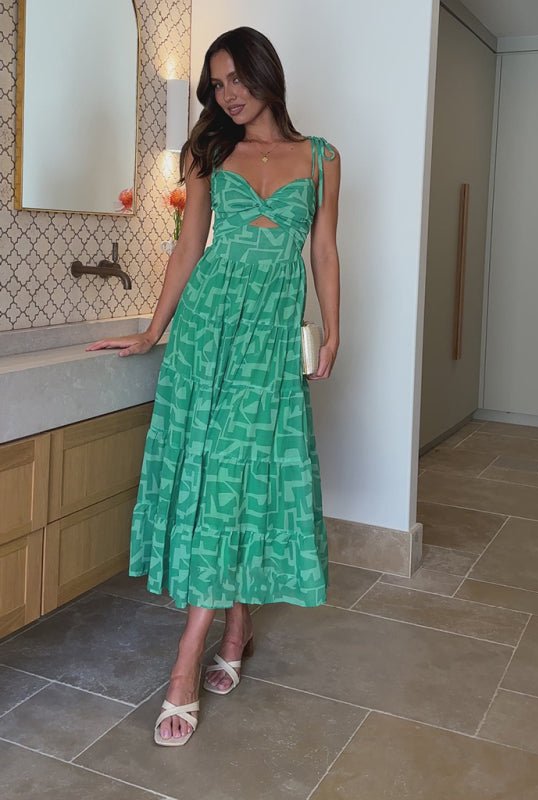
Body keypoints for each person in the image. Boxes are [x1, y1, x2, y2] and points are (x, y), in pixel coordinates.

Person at [86, 25, 340, 747]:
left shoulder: (322, 158)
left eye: (236, 78)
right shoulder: (208, 151)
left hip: (268, 337)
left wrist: (334, 330)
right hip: (206, 334)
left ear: (266, 73)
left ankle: (192, 655)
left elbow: (323, 250)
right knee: (215, 479)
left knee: (240, 475)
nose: (227, 94)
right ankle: (225, 633)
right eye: (216, 84)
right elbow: (187, 250)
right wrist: (152, 332)